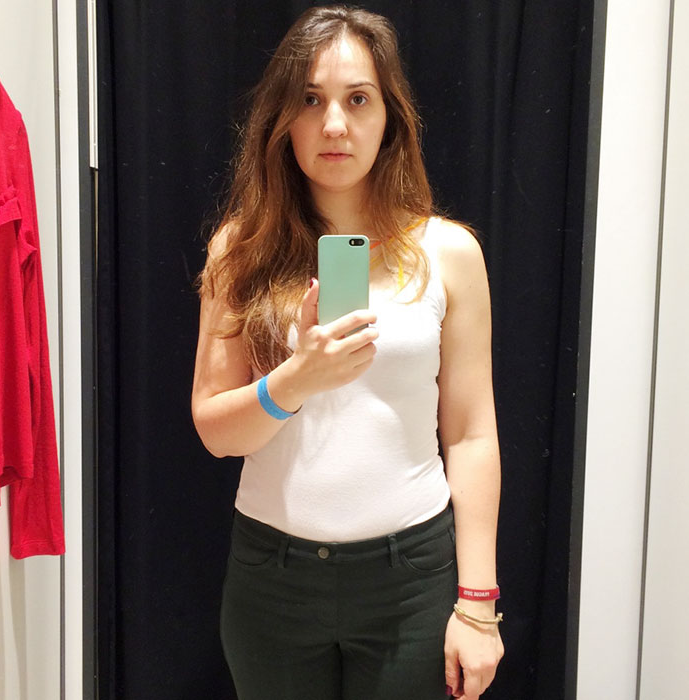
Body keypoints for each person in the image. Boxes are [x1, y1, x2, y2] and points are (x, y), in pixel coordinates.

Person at [191, 5, 504, 699]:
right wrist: (296, 379)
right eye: (311, 100)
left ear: (390, 116)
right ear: (282, 119)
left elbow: (471, 433)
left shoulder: (448, 253)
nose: (334, 123)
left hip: (411, 582)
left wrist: (478, 604)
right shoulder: (240, 251)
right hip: (273, 581)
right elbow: (215, 430)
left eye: (357, 99)